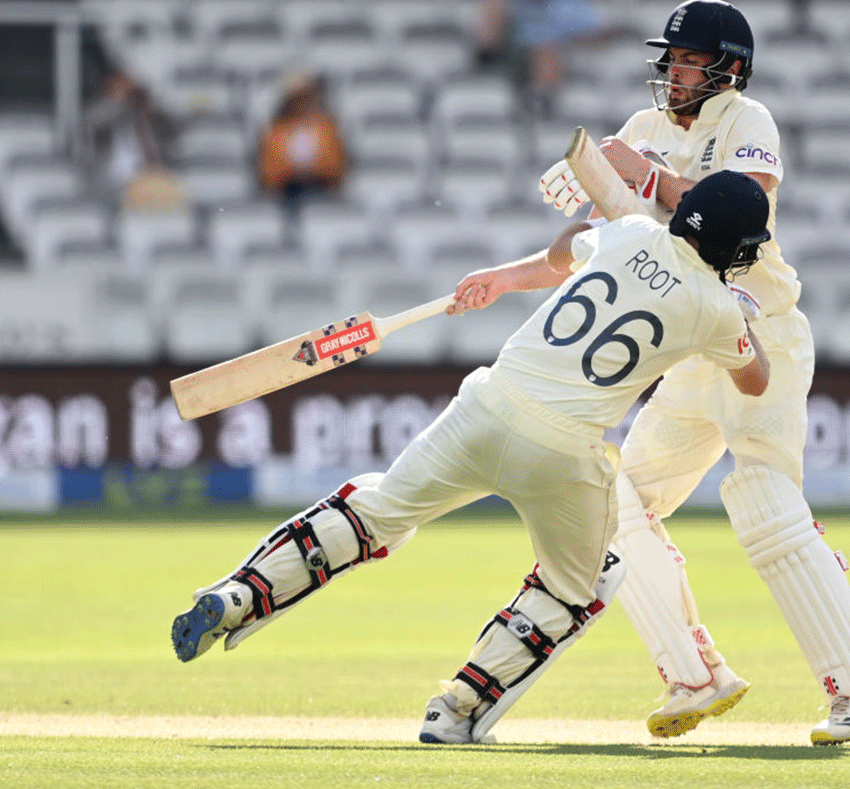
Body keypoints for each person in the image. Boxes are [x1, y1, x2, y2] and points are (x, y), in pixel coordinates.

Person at [170, 170, 774, 745]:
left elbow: (566, 249)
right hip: (564, 449)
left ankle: (240, 595)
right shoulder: (714, 308)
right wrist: (743, 312)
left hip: (487, 403)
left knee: (376, 513)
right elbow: (755, 381)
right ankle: (456, 709)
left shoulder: (632, 232)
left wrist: (602, 234)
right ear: (735, 247)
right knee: (584, 583)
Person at [538, 0, 850, 744]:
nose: (673, 73)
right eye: (668, 61)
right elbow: (615, 232)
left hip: (760, 331)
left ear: (727, 68)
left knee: (766, 506)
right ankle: (694, 673)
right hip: (690, 347)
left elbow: (742, 218)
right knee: (612, 505)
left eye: (688, 61)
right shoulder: (642, 131)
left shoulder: (747, 121)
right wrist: (594, 185)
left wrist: (643, 176)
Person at [474, 0, 611, 115]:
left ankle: (542, 100)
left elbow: (593, 36)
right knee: (543, 48)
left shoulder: (567, 0)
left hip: (560, 55)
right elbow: (487, 39)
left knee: (546, 50)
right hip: (513, 56)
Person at [83, 68, 183, 210]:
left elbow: (176, 130)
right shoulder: (104, 116)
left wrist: (152, 103)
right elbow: (90, 122)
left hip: (150, 181)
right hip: (113, 183)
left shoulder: (151, 117)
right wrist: (117, 100)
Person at [256, 69, 348, 216]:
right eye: (296, 98)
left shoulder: (327, 127)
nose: (301, 103)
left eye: (305, 97)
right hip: (285, 195)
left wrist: (314, 172)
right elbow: (270, 173)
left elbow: (334, 167)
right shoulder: (276, 130)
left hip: (321, 191)